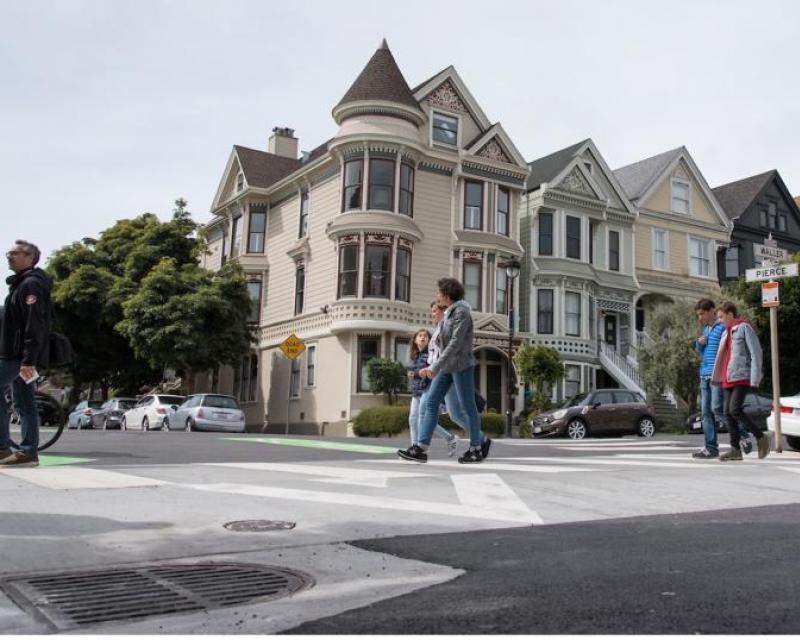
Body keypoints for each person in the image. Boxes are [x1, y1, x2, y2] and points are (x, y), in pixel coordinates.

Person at [398, 278, 490, 464]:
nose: (437, 296)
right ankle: (421, 448)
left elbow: (455, 343)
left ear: (447, 295)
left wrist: (434, 367)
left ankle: (476, 448)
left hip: (461, 365)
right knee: (431, 402)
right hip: (447, 366)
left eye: (439, 293)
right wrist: (434, 366)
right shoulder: (449, 313)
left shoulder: (462, 312)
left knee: (467, 407)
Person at [0, 240, 52, 466]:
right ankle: (25, 451)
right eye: (8, 253)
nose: (9, 257)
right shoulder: (21, 284)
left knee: (24, 401)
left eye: (14, 253)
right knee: (24, 401)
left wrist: (28, 360)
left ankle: (8, 447)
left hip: (18, 356)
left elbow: (35, 324)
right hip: (17, 355)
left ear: (29, 258)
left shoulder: (30, 285)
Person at [691, 299, 751, 459]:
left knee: (717, 409)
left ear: (711, 311)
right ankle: (711, 448)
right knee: (705, 413)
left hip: (717, 375)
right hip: (704, 375)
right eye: (698, 315)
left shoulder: (723, 327)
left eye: (702, 314)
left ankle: (743, 434)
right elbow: (703, 354)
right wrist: (699, 344)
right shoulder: (706, 330)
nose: (700, 318)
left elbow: (729, 349)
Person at [711, 301, 770, 462]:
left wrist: (755, 377)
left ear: (730, 314)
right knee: (727, 413)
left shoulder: (744, 328)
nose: (720, 320)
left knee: (734, 410)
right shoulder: (726, 332)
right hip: (728, 377)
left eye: (722, 317)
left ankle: (761, 437)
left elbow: (756, 353)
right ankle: (735, 450)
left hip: (742, 376)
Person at [407, 328, 458, 456]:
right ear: (415, 340)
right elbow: (416, 372)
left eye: (425, 336)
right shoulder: (415, 356)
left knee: (423, 420)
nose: (423, 337)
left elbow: (433, 371)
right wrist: (413, 375)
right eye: (420, 335)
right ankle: (415, 446)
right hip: (416, 391)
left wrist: (418, 374)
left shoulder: (430, 354)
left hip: (428, 389)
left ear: (429, 340)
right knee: (413, 419)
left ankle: (419, 448)